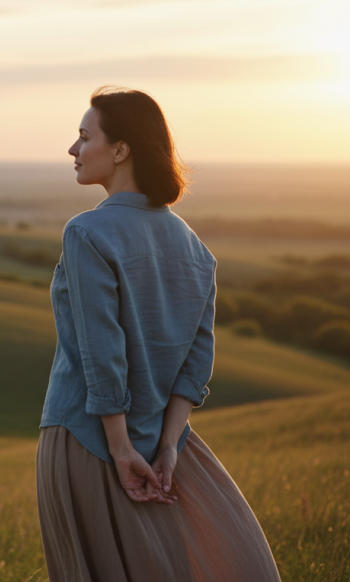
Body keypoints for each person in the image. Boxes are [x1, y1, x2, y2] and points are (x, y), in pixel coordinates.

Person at [36, 87, 281, 581]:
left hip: (86, 439)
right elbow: (196, 364)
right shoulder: (195, 247)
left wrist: (122, 451)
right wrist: (167, 447)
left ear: (121, 149)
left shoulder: (86, 232)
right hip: (166, 452)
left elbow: (101, 354)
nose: (73, 150)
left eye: (85, 137)